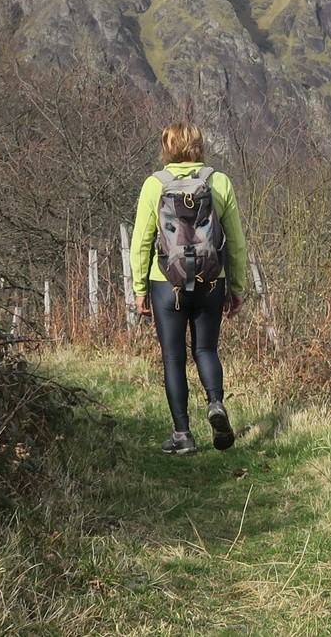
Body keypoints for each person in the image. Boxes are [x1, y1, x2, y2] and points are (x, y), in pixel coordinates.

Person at [130, 121, 249, 455]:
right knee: (206, 350)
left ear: (167, 147)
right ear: (199, 145)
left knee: (173, 357)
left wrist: (139, 288)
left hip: (166, 282)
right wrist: (236, 286)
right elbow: (236, 241)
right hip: (211, 280)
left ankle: (183, 435)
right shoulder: (219, 181)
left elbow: (140, 242)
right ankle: (215, 403)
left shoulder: (155, 184)